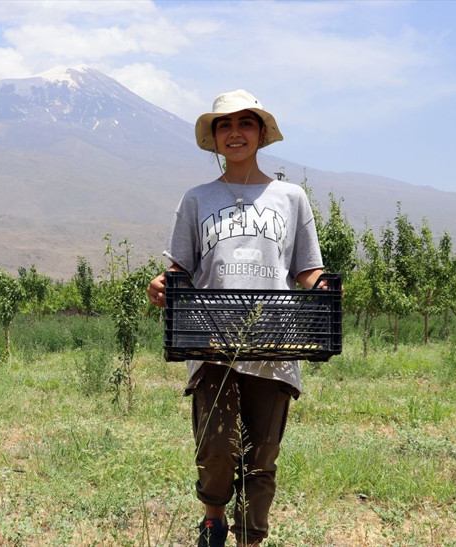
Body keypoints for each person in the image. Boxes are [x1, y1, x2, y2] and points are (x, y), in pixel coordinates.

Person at [146, 89, 326, 547]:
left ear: (262, 133)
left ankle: (250, 537)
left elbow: (306, 268)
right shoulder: (197, 198)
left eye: (245, 123)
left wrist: (323, 288)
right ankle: (213, 521)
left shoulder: (291, 197)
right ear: (214, 137)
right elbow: (180, 268)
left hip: (274, 342)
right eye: (224, 125)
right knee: (219, 447)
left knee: (262, 454)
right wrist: (162, 285)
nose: (235, 132)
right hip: (211, 342)